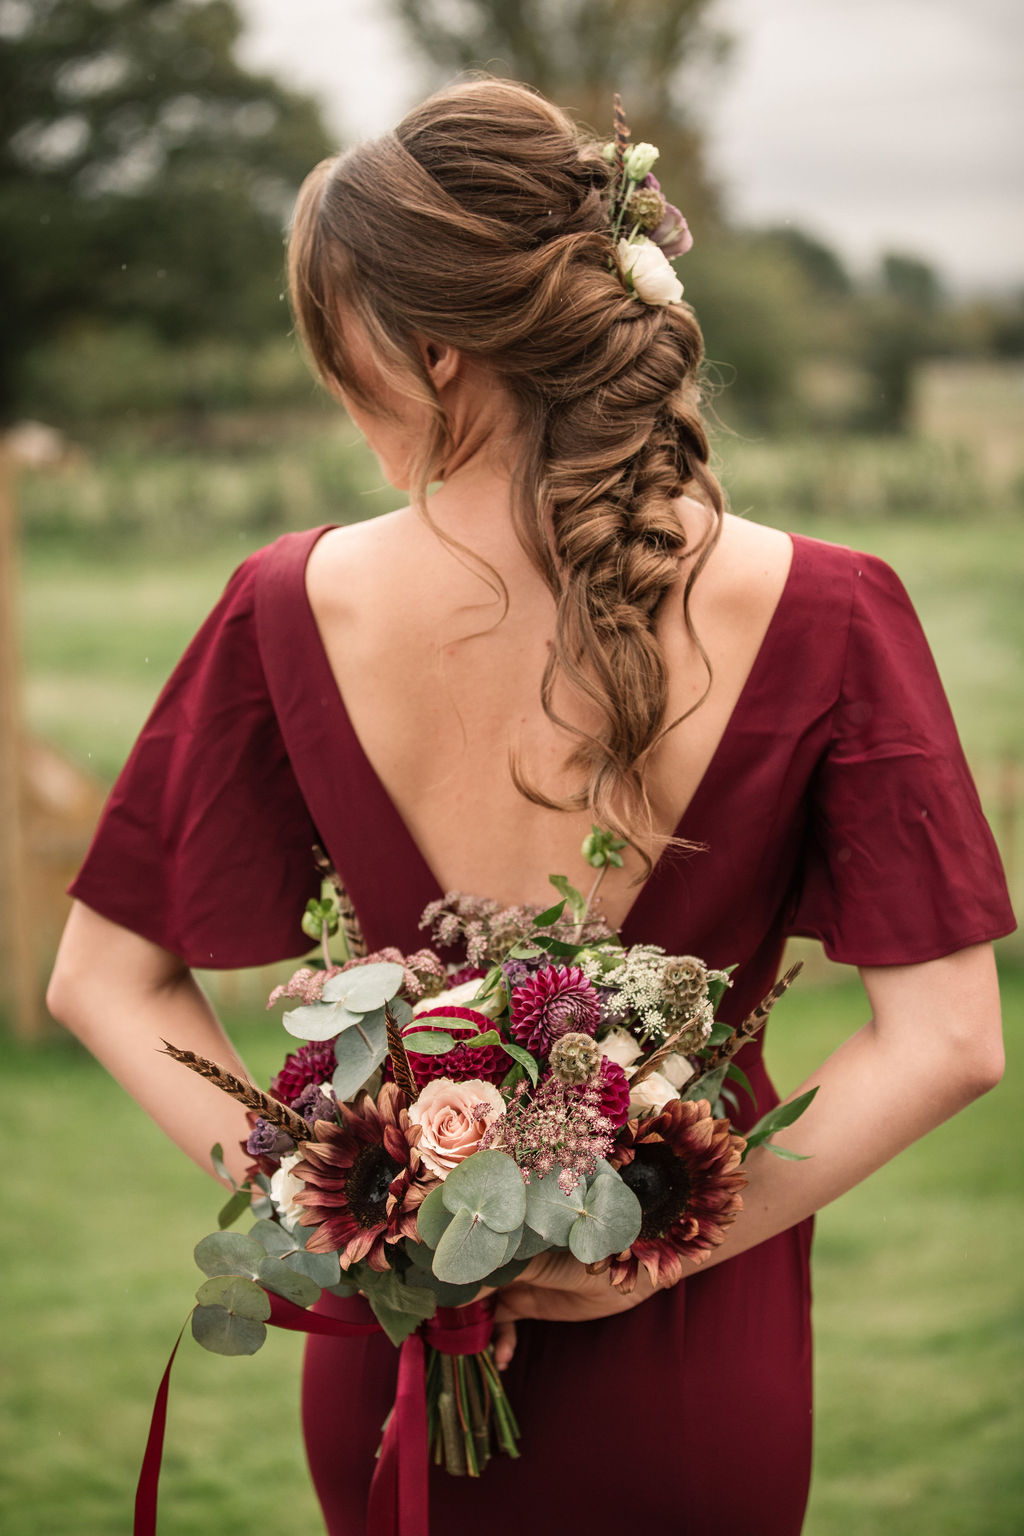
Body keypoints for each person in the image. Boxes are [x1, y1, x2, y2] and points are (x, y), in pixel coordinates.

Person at [49, 78, 1013, 1535]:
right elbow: (949, 1041)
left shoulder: (284, 602)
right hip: (699, 1358)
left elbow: (101, 981)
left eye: (342, 349)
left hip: (400, 1357)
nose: (333, 389)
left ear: (436, 353)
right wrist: (658, 1250)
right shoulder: (831, 607)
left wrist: (348, 1200)